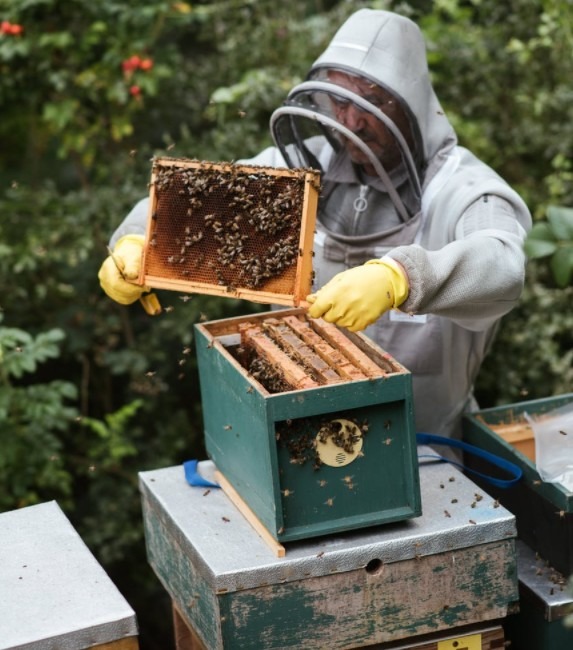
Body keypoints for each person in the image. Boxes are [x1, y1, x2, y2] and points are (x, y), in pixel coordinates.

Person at [99, 9, 532, 440]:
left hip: (429, 452)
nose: (352, 120)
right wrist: (139, 240)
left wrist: (401, 277)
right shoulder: (298, 169)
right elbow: (192, 202)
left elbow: (503, 264)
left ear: (412, 106)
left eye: (374, 103)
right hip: (299, 437)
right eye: (341, 101)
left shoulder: (465, 188)